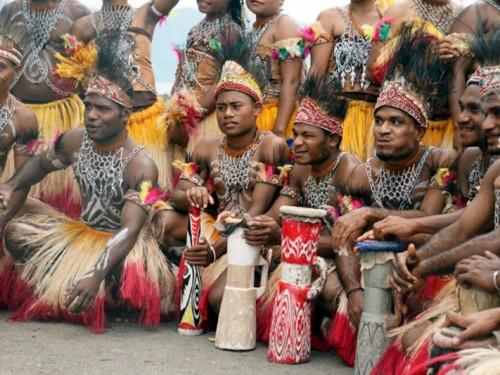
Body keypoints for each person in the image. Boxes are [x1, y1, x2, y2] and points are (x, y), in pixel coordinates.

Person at [0, 42, 176, 333]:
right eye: (89, 106)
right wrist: (11, 184)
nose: (92, 115)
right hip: (81, 234)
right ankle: (72, 282)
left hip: (123, 246)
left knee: (125, 283)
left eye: (103, 109)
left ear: (125, 115)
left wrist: (96, 273)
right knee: (17, 234)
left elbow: (130, 230)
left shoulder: (143, 167)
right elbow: (40, 165)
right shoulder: (74, 140)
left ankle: (91, 286)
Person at [371, 26, 500, 375]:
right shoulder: (484, 165)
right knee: (416, 336)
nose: (485, 123)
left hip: (491, 274)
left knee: (444, 347)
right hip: (479, 271)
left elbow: (491, 237)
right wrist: (416, 263)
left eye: (495, 112)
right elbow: (464, 226)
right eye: (482, 112)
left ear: (419, 129)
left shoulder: (440, 160)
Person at [330, 29, 457, 359]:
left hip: (421, 267)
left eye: (397, 122)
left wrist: (373, 214)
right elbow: (342, 236)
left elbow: (429, 219)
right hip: (369, 271)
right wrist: (354, 290)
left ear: (418, 130)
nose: (384, 130)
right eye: (380, 120)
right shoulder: (359, 173)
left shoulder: (439, 162)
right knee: (334, 292)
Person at [242, 76, 362, 365]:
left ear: (332, 139)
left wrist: (283, 240)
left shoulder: (349, 170)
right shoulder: (299, 170)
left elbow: (346, 241)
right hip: (303, 253)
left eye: (308, 136)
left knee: (330, 290)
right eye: (295, 134)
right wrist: (250, 222)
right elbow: (278, 215)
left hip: (344, 258)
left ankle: (327, 323)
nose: (297, 143)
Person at [157, 60, 289, 323]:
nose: (227, 114)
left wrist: (214, 252)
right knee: (165, 219)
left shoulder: (272, 146)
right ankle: (177, 271)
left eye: (236, 106)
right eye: (221, 107)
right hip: (220, 229)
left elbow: (254, 214)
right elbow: (176, 194)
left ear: (257, 109)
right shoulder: (207, 146)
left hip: (254, 236)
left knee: (219, 301)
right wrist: (194, 196)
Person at [364, 71, 497, 245]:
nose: (461, 117)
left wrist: (411, 226)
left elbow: (470, 229)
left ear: (419, 132)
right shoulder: (468, 160)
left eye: (475, 109)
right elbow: (460, 230)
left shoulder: (442, 160)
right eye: (461, 108)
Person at [64, 0, 179, 190]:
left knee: (146, 192)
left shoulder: (145, 14)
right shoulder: (82, 26)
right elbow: (73, 76)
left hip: (145, 121)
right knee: (106, 191)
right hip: (105, 125)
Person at [0, 0, 89, 214]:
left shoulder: (78, 13)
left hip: (62, 120)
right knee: (11, 193)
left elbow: (89, 71)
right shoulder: (10, 11)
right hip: (16, 118)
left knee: (59, 199)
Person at [366, 0, 461, 149]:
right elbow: (372, 69)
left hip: (447, 124)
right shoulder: (398, 11)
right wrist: (421, 55)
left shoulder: (465, 15)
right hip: (402, 128)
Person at [304, 0, 383, 160]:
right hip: (338, 116)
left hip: (378, 118)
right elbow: (316, 75)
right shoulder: (329, 17)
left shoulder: (390, 18)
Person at [168, 0, 245, 154]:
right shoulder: (194, 29)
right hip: (182, 119)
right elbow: (181, 74)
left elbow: (226, 82)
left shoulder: (232, 32)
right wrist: (173, 112)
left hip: (206, 119)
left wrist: (190, 120)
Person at [0, 25, 39, 311]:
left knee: (37, 223)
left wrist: (2, 220)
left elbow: (21, 180)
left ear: (16, 73)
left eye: (1, 67)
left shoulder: (23, 117)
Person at [246, 0, 304, 139]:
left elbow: (292, 81)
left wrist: (278, 132)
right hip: (252, 117)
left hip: (277, 118)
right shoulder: (252, 29)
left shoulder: (285, 25)